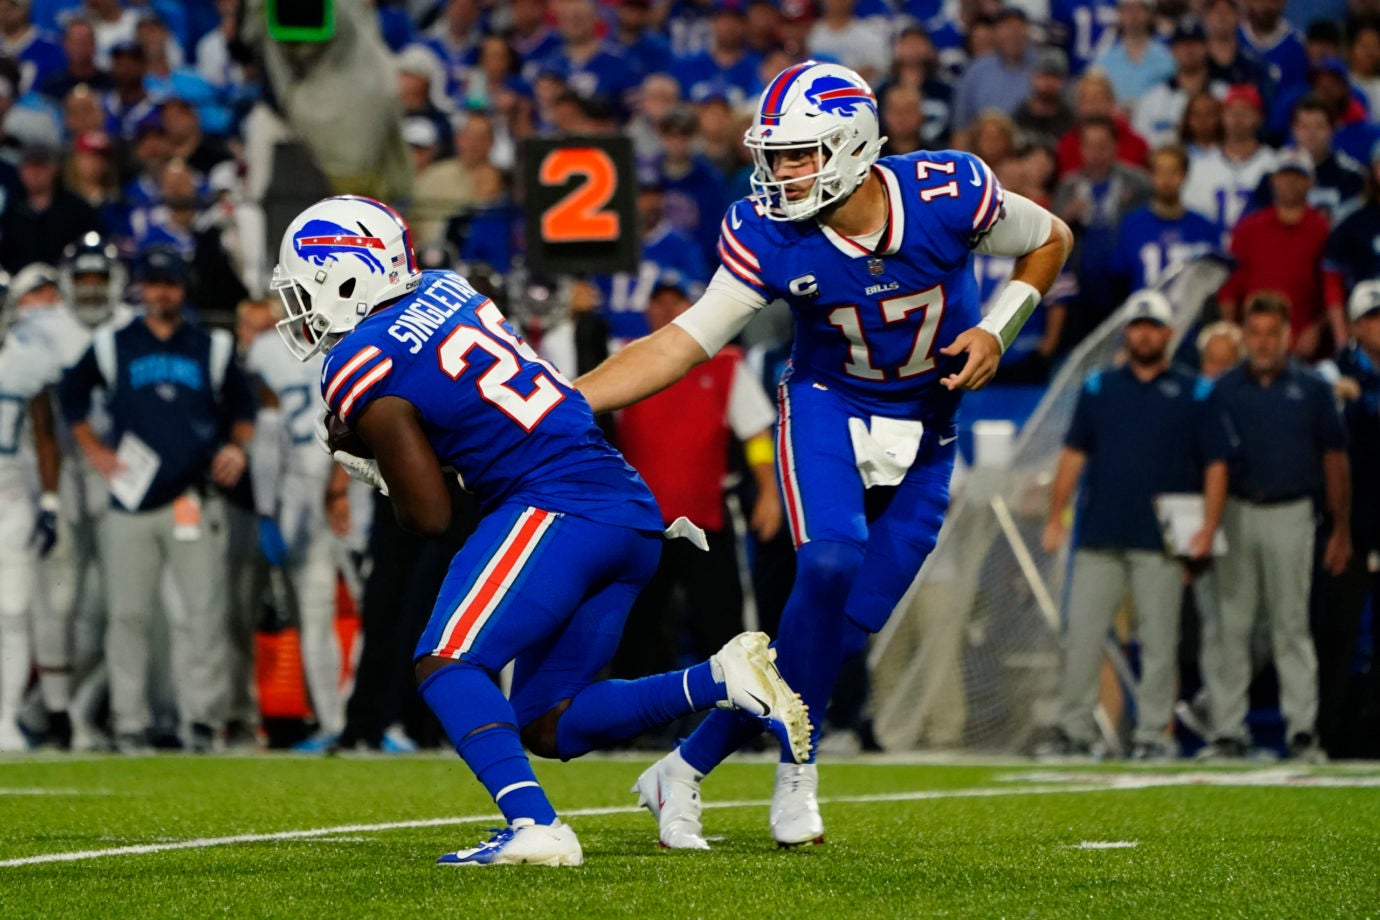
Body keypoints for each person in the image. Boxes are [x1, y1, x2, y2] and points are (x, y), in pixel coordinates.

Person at [574, 61, 1073, 848]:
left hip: (929, 424)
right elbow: (682, 343)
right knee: (828, 566)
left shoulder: (949, 191)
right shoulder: (767, 230)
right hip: (827, 405)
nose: (781, 173)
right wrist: (565, 400)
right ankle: (797, 769)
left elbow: (1051, 240)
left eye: (800, 154)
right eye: (775, 156)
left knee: (843, 627)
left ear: (852, 145)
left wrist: (998, 328)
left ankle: (684, 766)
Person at [271, 194, 809, 867]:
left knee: (446, 660)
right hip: (627, 509)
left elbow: (430, 516)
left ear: (346, 276)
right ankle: (717, 679)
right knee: (546, 721)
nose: (295, 308)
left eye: (303, 287)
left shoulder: (359, 361)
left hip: (556, 505)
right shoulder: (448, 287)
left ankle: (536, 824)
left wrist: (379, 457)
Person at [58, 244, 256, 754]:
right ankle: (130, 722)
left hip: (194, 496)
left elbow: (244, 402)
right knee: (128, 616)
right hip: (130, 499)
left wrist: (237, 445)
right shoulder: (112, 344)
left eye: (169, 284)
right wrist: (96, 452)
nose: (160, 292)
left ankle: (203, 721)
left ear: (182, 288)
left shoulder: (209, 345)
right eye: (153, 283)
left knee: (202, 615)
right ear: (141, 287)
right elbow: (70, 396)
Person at [1038, 290, 1228, 759]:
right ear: (1128, 331)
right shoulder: (1100, 387)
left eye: (1152, 326)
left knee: (1161, 643)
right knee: (1082, 636)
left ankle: (1152, 735)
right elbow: (1072, 455)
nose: (1143, 333)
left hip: (1161, 540)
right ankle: (1074, 730)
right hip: (1099, 535)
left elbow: (1217, 464)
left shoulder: (1194, 391)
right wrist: (1056, 515)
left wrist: (1207, 526)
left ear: (1167, 333)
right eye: (1137, 325)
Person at [1202, 292, 1350, 762]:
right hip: (1238, 512)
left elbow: (1335, 458)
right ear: (1245, 335)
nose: (1264, 342)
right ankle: (1227, 731)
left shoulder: (1311, 388)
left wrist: (1341, 527)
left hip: (1292, 513)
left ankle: (1302, 732)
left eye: (1272, 333)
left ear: (1287, 335)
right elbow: (1212, 463)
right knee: (1233, 626)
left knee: (1291, 626)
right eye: (1256, 333)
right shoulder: (1224, 390)